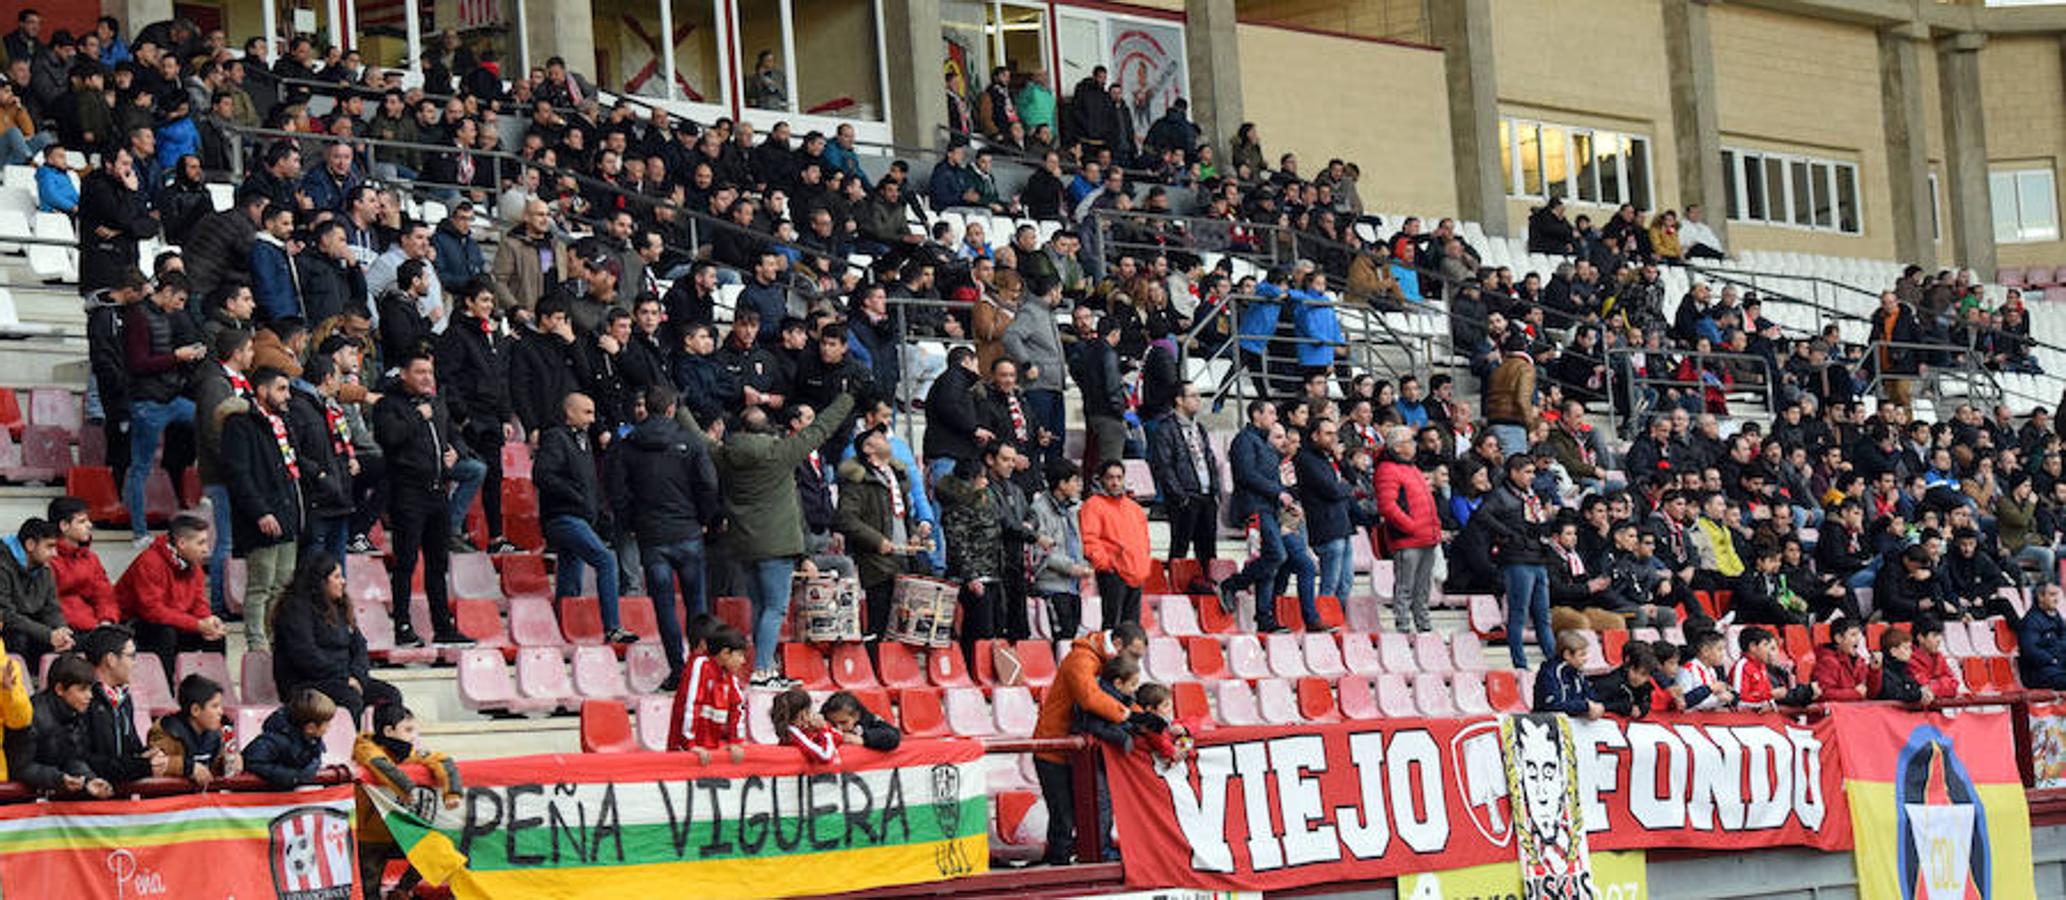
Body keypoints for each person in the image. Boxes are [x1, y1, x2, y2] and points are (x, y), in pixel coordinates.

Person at [715, 391, 853, 686]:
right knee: (775, 608)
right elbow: (822, 428)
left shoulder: (725, 454)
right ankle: (763, 671)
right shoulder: (781, 453)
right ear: (769, 428)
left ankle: (763, 666)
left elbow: (700, 440)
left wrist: (679, 412)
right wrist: (848, 397)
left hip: (743, 544)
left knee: (758, 606)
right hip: (776, 545)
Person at [611, 386, 720, 688]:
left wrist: (630, 522)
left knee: (664, 606)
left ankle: (677, 668)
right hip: (687, 531)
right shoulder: (690, 441)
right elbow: (708, 484)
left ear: (645, 408)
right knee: (697, 604)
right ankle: (700, 669)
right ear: (672, 409)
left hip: (652, 535)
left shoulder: (628, 444)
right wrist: (706, 518)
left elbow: (618, 492)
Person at [372, 351, 470, 647]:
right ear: (404, 374)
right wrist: (417, 416)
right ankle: (402, 626)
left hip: (438, 490)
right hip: (407, 493)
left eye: (430, 371)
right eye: (420, 372)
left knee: (438, 563)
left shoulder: (437, 403)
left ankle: (443, 626)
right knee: (406, 562)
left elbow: (453, 434)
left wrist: (457, 452)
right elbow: (389, 437)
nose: (427, 377)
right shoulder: (388, 405)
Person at [1032, 623, 1147, 866]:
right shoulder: (1081, 659)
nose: (1137, 662)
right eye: (1135, 655)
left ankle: (1067, 865)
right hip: (1054, 748)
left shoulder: (1102, 661)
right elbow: (1090, 698)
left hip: (1074, 751)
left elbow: (1121, 698)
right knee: (1063, 817)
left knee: (1081, 813)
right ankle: (1060, 869)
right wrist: (1130, 716)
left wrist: (1150, 722)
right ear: (1117, 645)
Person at [536, 392, 634, 644]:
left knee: (570, 580)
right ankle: (612, 626)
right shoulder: (556, 438)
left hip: (580, 516)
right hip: (563, 516)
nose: (592, 419)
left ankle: (560, 628)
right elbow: (543, 475)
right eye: (587, 412)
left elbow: (591, 484)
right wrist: (577, 496)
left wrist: (599, 514)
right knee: (605, 560)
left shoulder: (583, 441)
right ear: (569, 413)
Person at [219, 367, 303, 650]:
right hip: (263, 518)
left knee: (282, 586)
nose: (287, 396)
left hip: (288, 515)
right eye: (281, 389)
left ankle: (275, 638)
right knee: (260, 586)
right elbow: (238, 474)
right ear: (262, 390)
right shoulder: (240, 424)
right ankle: (257, 643)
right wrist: (260, 512)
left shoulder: (282, 421)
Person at [122, 273, 205, 546]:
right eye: (179, 299)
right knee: (141, 467)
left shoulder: (164, 316)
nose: (180, 306)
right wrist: (175, 357)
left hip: (169, 397)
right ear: (167, 291)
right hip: (148, 402)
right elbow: (137, 363)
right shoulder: (138, 316)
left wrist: (186, 357)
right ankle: (139, 531)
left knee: (211, 422)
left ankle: (206, 489)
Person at [271, 552, 400, 726]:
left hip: (345, 679)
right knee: (350, 698)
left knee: (389, 694)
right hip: (305, 683)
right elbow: (305, 655)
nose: (343, 581)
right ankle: (349, 748)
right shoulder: (294, 609)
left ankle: (381, 746)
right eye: (337, 577)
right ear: (320, 581)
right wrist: (343, 678)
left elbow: (359, 646)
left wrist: (357, 676)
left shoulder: (340, 606)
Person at [354, 703, 462, 892]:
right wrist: (410, 790)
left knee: (435, 852)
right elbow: (382, 766)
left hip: (404, 831)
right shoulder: (365, 748)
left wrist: (451, 792)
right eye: (408, 729)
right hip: (372, 835)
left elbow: (442, 760)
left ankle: (402, 892)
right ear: (389, 731)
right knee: (369, 890)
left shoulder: (410, 751)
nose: (414, 735)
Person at [116, 514, 222, 681]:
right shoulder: (150, 561)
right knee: (165, 633)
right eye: (200, 543)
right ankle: (165, 694)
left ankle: (210, 694)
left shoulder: (193, 564)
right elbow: (152, 611)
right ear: (181, 543)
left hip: (173, 620)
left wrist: (207, 620)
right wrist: (196, 624)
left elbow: (198, 601)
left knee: (216, 635)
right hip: (134, 624)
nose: (206, 549)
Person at [1219, 401, 1291, 632]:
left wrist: (1285, 496)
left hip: (1269, 508)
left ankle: (1264, 617)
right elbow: (1246, 474)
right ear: (1256, 415)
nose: (1274, 416)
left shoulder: (1263, 442)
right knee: (1275, 555)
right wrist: (1277, 492)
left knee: (1271, 561)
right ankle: (1231, 584)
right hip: (1254, 509)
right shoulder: (1244, 441)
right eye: (1270, 412)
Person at [1482, 455, 1555, 667]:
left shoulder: (1531, 496)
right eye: (1527, 472)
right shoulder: (1501, 495)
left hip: (1537, 557)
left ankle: (1552, 661)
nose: (1531, 477)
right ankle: (1520, 663)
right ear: (1513, 472)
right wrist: (1507, 534)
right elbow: (1483, 515)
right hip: (1516, 559)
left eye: (1533, 472)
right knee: (1518, 614)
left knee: (1543, 616)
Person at [7, 655, 113, 797]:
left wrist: (89, 779)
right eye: (82, 690)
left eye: (90, 689)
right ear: (60, 689)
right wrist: (58, 779)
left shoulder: (75, 713)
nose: (90, 696)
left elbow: (73, 758)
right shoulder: (32, 716)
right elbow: (19, 768)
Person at [1149, 382, 1220, 587]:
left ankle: (1208, 588)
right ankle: (1174, 587)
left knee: (1208, 550)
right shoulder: (1166, 429)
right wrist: (1181, 496)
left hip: (1206, 495)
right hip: (1185, 497)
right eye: (1193, 396)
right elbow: (1164, 466)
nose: (1198, 400)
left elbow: (1210, 460)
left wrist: (1215, 490)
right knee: (1179, 547)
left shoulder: (1200, 428)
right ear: (1179, 400)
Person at [1373, 424, 1441, 632]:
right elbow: (1387, 506)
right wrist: (1411, 526)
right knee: (1405, 586)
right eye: (1409, 442)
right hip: (1408, 539)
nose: (1414, 446)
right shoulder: (1387, 470)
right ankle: (1403, 626)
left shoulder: (1411, 467)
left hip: (1426, 537)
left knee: (1423, 587)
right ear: (1397, 447)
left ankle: (1423, 624)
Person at [81, 624, 168, 782]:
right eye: (131, 656)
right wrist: (142, 766)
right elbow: (85, 761)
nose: (135, 663)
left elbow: (131, 749)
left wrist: (149, 754)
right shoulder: (82, 698)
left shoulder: (124, 697)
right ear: (111, 660)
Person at [1081, 460, 1152, 630]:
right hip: (1113, 573)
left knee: (1131, 629)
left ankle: (1126, 657)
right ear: (1102, 480)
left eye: (1119, 477)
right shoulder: (1093, 505)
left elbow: (1144, 541)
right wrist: (1106, 565)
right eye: (1110, 478)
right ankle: (1110, 657)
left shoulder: (1134, 508)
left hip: (1135, 573)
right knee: (1112, 627)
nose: (1115, 482)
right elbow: (1089, 539)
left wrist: (1143, 565)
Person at [1030, 460, 1094, 641]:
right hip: (1052, 586)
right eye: (1074, 480)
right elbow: (1040, 549)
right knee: (1062, 639)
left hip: (1073, 586)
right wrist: (1070, 567)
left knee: (1073, 637)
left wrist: (1083, 565)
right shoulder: (1039, 510)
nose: (1078, 485)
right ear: (1061, 483)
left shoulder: (1075, 508)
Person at [666, 623, 750, 762]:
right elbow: (692, 704)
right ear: (725, 653)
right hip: (684, 749)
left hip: (710, 747)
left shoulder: (729, 676)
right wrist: (690, 744)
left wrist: (735, 741)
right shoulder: (701, 666)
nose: (743, 661)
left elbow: (737, 707)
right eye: (740, 655)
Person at [0, 516, 70, 665]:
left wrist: (61, 630)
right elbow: (5, 614)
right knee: (17, 637)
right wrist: (48, 634)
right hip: (8, 630)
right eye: (49, 546)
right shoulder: (2, 564)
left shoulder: (44, 568)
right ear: (30, 545)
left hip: (29, 627)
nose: (55, 553)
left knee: (69, 640)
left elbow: (52, 608)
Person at [146, 674, 239, 785]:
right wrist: (188, 767)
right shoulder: (167, 731)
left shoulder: (217, 732)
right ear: (195, 710)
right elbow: (155, 764)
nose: (221, 712)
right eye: (215, 706)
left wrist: (232, 760)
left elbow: (219, 763)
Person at [243, 688, 338, 787]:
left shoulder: (312, 739)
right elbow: (252, 762)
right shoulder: (274, 741)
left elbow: (314, 759)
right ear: (310, 728)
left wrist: (307, 772)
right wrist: (294, 776)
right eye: (326, 723)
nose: (329, 726)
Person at [1533, 630, 1604, 717]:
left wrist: (1595, 707)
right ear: (1567, 655)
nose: (1586, 659)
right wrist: (1585, 706)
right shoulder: (1550, 673)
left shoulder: (1577, 672)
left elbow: (1590, 697)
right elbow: (1552, 705)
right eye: (1582, 655)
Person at [769, 687, 843, 764]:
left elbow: (839, 738)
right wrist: (824, 730)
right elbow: (825, 756)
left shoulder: (806, 729)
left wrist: (821, 730)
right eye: (809, 711)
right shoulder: (793, 732)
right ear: (803, 715)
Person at [1812, 619, 1874, 701]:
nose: (1858, 639)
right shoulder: (1827, 661)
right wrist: (1855, 693)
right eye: (1853, 635)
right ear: (1838, 638)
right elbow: (1823, 693)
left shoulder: (1858, 660)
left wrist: (1875, 671)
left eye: (1858, 635)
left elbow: (1871, 693)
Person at [1591, 642, 1658, 717]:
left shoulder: (1646, 685)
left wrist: (1641, 709)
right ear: (1628, 664)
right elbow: (1596, 704)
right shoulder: (1611, 683)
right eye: (1635, 671)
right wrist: (1626, 708)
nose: (1637, 677)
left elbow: (1646, 702)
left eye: (1643, 674)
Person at [1675, 630, 1736, 710]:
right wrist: (1717, 698)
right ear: (1705, 651)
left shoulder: (1711, 670)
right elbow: (1684, 702)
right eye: (1719, 649)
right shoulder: (1688, 670)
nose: (1722, 654)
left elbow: (1711, 698)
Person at [2019, 584, 2066, 689]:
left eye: (2057, 595)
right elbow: (2030, 650)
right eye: (2052, 595)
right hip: (2039, 673)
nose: (2056, 599)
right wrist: (2053, 660)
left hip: (2057, 668)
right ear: (2041, 597)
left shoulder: (2056, 616)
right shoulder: (2031, 621)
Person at [820, 691, 901, 751]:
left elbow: (893, 735)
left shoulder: (867, 719)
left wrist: (864, 739)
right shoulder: (822, 719)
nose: (838, 728)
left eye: (843, 722)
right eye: (833, 723)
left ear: (856, 716)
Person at [1908, 618, 1962, 699]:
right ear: (1920, 638)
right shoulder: (1909, 659)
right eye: (1934, 635)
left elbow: (1954, 684)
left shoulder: (1939, 657)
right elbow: (1924, 688)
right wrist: (1942, 682)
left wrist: (1934, 685)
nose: (1939, 639)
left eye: (1940, 635)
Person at [1876, 628, 1931, 704]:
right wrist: (1919, 694)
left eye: (1910, 648)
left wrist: (1924, 691)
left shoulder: (1904, 669)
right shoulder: (1884, 673)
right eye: (1906, 648)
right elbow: (1895, 695)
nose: (1911, 652)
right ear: (1894, 651)